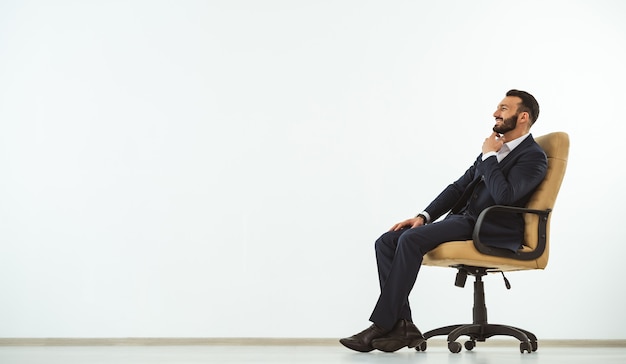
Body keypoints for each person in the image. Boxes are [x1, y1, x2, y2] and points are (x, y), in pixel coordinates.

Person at [340, 89, 548, 353]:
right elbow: (458, 187)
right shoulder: (495, 151)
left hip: (487, 227)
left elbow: (503, 197)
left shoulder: (532, 156)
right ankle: (403, 324)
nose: (495, 113)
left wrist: (489, 157)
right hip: (466, 221)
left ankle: (381, 325)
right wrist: (423, 216)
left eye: (504, 109)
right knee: (386, 242)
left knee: (411, 240)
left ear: (523, 116)